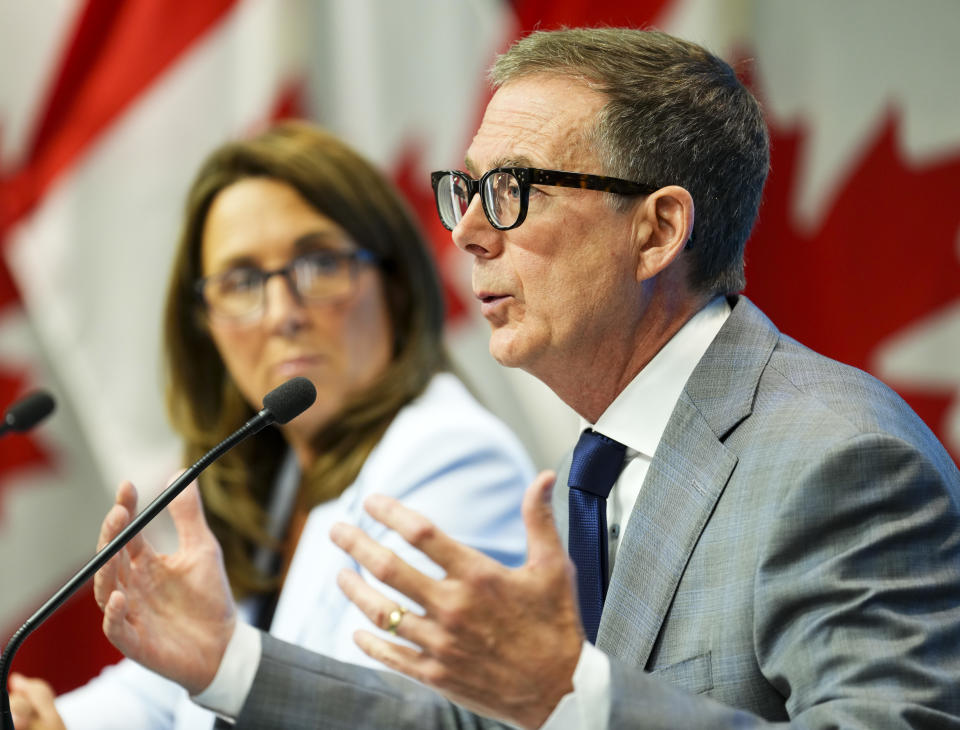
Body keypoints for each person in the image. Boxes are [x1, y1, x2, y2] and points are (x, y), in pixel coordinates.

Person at [80, 27, 960, 729]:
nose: (466, 234)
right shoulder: (612, 455)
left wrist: (573, 697)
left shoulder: (838, 459)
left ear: (655, 232)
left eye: (511, 188)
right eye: (463, 190)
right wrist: (224, 663)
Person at [7, 121, 534, 729]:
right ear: (204, 324)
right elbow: (168, 686)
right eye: (242, 282)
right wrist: (49, 721)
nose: (283, 314)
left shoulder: (452, 456)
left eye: (319, 262)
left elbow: (390, 715)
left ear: (394, 284)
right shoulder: (281, 478)